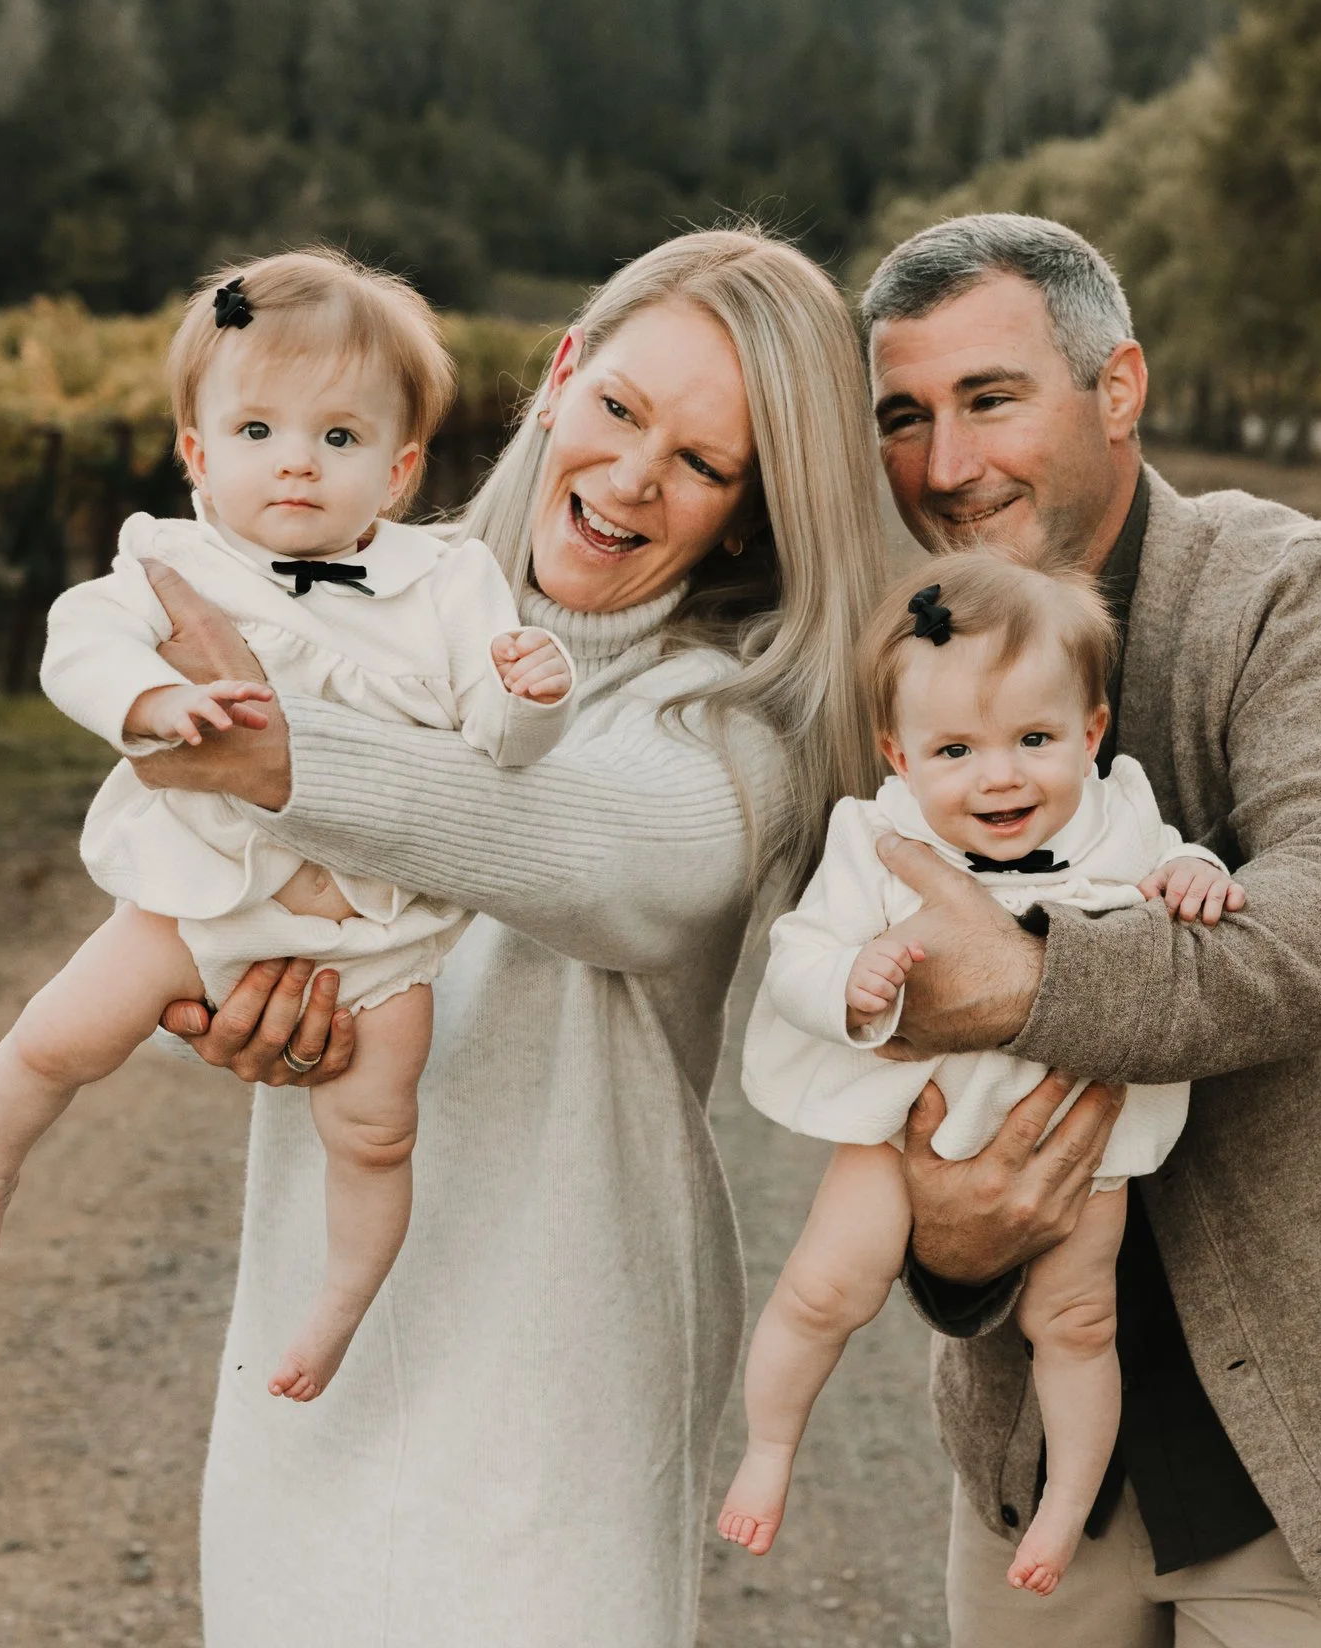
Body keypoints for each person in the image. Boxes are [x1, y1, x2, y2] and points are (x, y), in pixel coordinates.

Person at [119, 228, 889, 1645]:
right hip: (324, 1292)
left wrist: (295, 760)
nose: (635, 477)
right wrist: (228, 1009)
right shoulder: (353, 615)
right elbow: (204, 896)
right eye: (619, 410)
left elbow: (595, 854)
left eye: (706, 464)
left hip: (569, 1328)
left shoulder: (730, 722)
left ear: (750, 512)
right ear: (560, 375)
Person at [859, 213, 1321, 1644]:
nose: (945, 467)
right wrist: (938, 1239)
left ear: (1118, 389)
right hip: (1041, 1457)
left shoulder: (1290, 589)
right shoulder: (905, 662)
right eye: (904, 417)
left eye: (990, 399)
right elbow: (858, 999)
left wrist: (1031, 984)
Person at [0, 249, 575, 1412]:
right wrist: (152, 699)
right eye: (260, 429)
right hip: (199, 889)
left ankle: (336, 1306)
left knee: (375, 1131)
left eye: (339, 438)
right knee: (57, 1037)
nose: (296, 461)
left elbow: (496, 744)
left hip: (372, 929)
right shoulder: (173, 563)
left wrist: (531, 693)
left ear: (399, 466)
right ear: (197, 454)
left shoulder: (451, 581)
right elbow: (76, 643)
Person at [718, 550, 1240, 1593]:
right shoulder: (876, 838)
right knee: (825, 1288)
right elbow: (795, 956)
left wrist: (1195, 871)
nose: (999, 776)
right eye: (954, 748)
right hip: (905, 1116)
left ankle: (1061, 1504)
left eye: (1034, 740)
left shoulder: (1118, 813)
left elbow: (1184, 862)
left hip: (1071, 1130)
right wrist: (853, 982)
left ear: (1089, 734)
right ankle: (769, 1449)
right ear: (897, 755)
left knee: (1077, 1320)